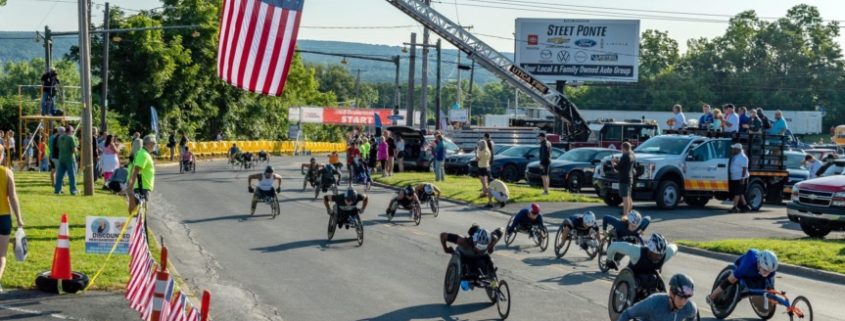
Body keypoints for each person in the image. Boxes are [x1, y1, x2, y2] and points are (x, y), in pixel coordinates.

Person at [605, 233, 677, 300]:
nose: (657, 258)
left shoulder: (666, 254)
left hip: (651, 276)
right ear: (649, 250)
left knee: (660, 287)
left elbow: (674, 247)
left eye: (660, 256)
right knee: (645, 282)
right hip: (632, 277)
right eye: (654, 255)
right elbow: (614, 246)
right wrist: (609, 260)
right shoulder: (636, 251)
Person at [707, 249, 778, 305]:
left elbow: (770, 288)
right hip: (743, 271)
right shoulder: (746, 266)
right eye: (765, 270)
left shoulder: (771, 271)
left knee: (766, 287)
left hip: (756, 275)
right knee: (736, 284)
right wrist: (713, 295)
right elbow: (728, 282)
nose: (767, 273)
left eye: (770, 271)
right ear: (760, 264)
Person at [617, 273, 698, 321]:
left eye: (686, 298)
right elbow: (627, 314)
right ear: (671, 293)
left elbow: (692, 317)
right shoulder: (653, 302)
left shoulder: (690, 308)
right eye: (680, 298)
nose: (683, 302)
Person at [0, 149, 25, 292]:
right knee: (1, 255)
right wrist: (19, 219)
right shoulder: (7, 172)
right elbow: (13, 198)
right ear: (2, 155)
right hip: (3, 217)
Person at [439, 225, 504, 278]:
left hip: (480, 258)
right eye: (478, 247)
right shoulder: (464, 241)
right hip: (465, 258)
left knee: (490, 262)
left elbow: (501, 229)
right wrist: (446, 249)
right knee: (468, 269)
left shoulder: (492, 240)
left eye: (482, 248)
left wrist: (493, 243)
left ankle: (493, 283)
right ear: (474, 241)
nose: (479, 250)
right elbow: (443, 235)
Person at [124, 135, 157, 215]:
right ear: (149, 144)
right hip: (142, 187)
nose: (154, 146)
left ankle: (136, 225)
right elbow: (136, 170)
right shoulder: (144, 154)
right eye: (153, 144)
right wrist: (130, 187)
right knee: (141, 211)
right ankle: (139, 226)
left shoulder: (143, 153)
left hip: (141, 186)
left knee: (139, 210)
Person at [54, 126, 79, 195]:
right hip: (69, 158)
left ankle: (57, 190)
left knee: (59, 175)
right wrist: (77, 147)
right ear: (70, 131)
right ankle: (73, 190)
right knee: (72, 175)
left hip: (61, 158)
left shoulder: (60, 137)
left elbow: (58, 146)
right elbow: (74, 150)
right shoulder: (71, 138)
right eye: (73, 131)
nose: (73, 133)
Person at [613, 142, 635, 215]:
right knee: (629, 196)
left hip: (624, 178)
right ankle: (630, 212)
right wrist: (618, 161)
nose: (621, 150)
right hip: (630, 178)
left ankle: (625, 214)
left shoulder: (625, 156)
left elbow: (619, 167)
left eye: (621, 148)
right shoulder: (632, 155)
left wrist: (613, 163)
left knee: (625, 197)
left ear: (624, 148)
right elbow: (624, 165)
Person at [728, 143, 749, 213]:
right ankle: (745, 206)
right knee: (740, 193)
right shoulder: (735, 156)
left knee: (737, 193)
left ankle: (734, 207)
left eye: (734, 148)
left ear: (738, 149)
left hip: (740, 178)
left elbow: (744, 168)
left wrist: (742, 178)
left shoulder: (743, 157)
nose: (732, 149)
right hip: (735, 178)